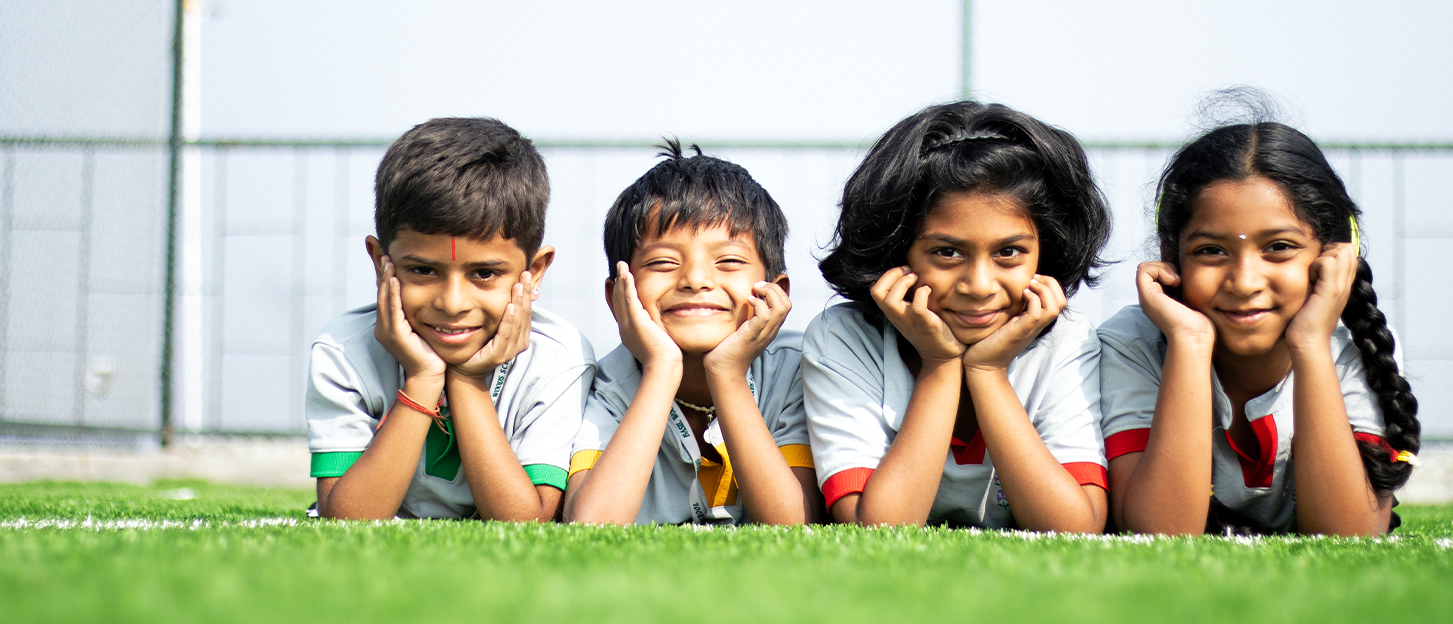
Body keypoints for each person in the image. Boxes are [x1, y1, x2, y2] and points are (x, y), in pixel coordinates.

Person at [1101, 121, 1420, 536]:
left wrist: (1310, 344)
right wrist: (1190, 344)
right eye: (1211, 251)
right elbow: (1161, 532)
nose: (1245, 281)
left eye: (1279, 248)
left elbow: (1349, 535)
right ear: (1171, 257)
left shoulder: (1355, 344)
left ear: (1335, 254)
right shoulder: (1134, 343)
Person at [805, 101, 1113, 532]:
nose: (979, 285)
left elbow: (1075, 530)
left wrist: (987, 372)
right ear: (896, 254)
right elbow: (876, 530)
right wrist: (941, 365)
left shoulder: (1068, 339)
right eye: (947, 252)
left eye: (1009, 252)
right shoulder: (845, 337)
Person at [305, 117, 594, 521]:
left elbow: (526, 522)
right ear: (379, 262)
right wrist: (423, 380)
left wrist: (469, 383)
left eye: (484, 274)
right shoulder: (345, 351)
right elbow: (348, 521)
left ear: (536, 272)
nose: (453, 303)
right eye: (423, 270)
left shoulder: (558, 358)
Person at [563, 142, 823, 525]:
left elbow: (793, 528)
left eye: (729, 261)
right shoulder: (607, 385)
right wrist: (661, 369)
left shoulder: (796, 370)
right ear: (618, 293)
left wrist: (728, 375)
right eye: (662, 262)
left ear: (777, 291)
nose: (696, 280)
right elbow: (589, 529)